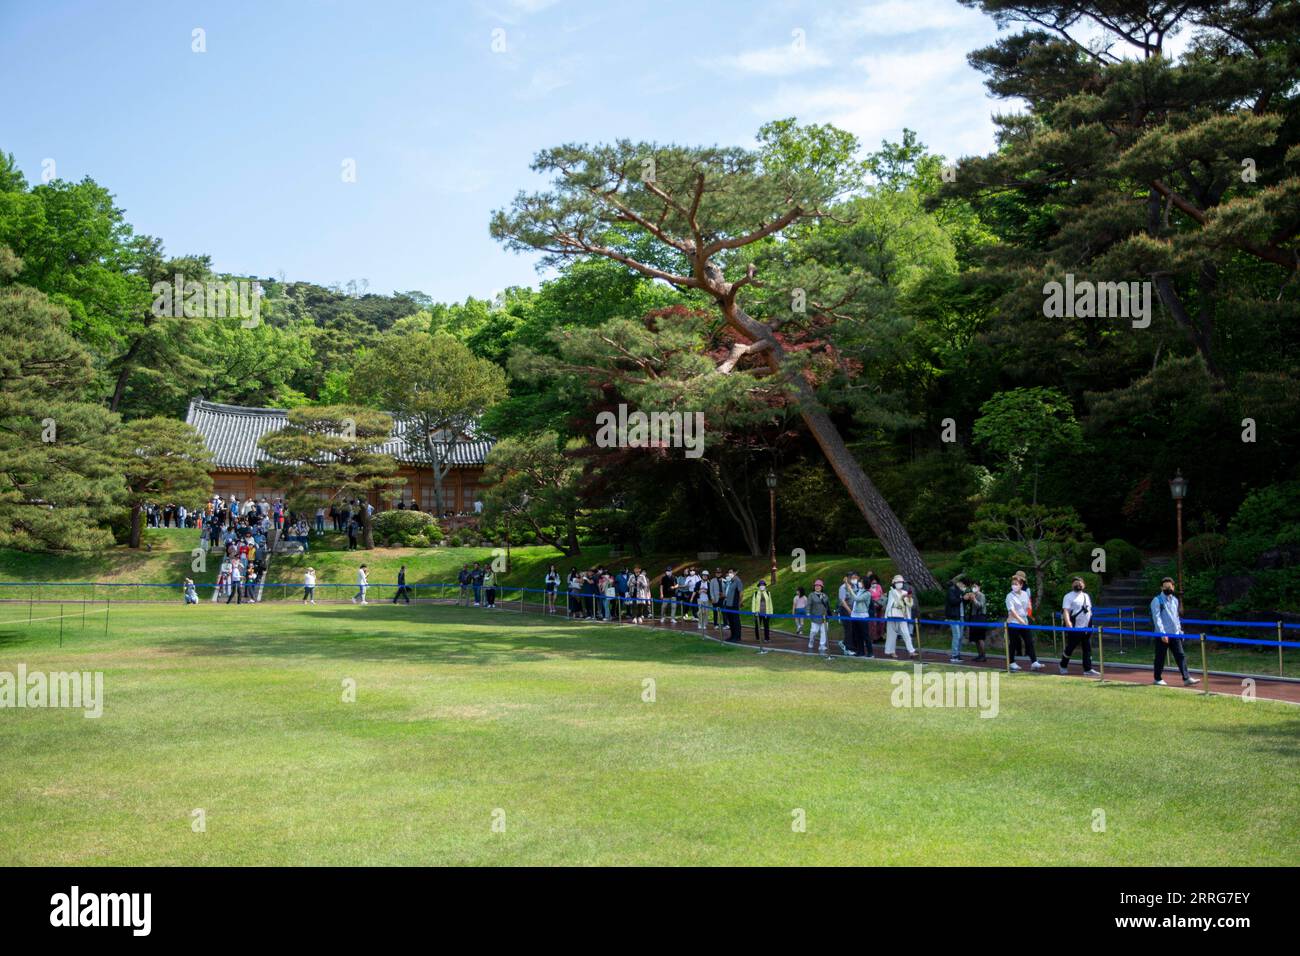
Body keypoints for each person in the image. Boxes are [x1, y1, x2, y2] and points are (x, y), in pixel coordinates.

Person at [1150, 577, 1199, 686]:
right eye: (1165, 587)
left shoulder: (1175, 600)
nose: (1168, 588)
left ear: (1173, 587)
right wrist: (1162, 633)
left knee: (1180, 655)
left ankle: (1186, 678)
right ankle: (1157, 678)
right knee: (1160, 657)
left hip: (1175, 634)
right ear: (1161, 587)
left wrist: (1180, 631)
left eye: (1170, 586)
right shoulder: (1157, 600)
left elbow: (1176, 617)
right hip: (1162, 635)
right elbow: (1156, 618)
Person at [1059, 576, 1098, 675]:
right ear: (1072, 585)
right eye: (1076, 583)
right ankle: (1063, 665)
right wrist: (1068, 622)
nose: (1078, 584)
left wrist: (1090, 624)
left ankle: (1087, 669)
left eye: (1080, 583)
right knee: (1071, 647)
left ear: (1084, 585)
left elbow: (1089, 610)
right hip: (1075, 626)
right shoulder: (1068, 596)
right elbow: (1066, 610)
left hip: (1087, 626)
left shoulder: (1086, 596)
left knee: (1087, 648)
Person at [1005, 570, 1041, 670]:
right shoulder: (1009, 596)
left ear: (1021, 585)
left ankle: (1034, 661)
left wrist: (1026, 617)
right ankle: (1011, 662)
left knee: (1029, 641)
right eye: (1013, 584)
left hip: (1024, 621)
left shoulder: (1025, 594)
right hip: (1013, 622)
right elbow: (1012, 611)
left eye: (1016, 584)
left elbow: (1027, 608)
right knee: (1013, 643)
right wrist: (1020, 620)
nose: (1014, 586)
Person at [884, 574, 917, 659]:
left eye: (901, 582)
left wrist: (909, 598)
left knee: (906, 633)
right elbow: (894, 603)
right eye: (898, 582)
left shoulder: (905, 592)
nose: (900, 583)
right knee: (892, 634)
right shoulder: (892, 592)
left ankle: (911, 651)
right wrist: (902, 598)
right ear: (894, 583)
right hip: (892, 615)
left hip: (902, 615)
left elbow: (909, 605)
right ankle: (891, 652)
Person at [848, 573, 875, 657]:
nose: (860, 583)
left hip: (863, 616)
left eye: (862, 582)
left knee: (865, 635)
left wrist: (850, 590)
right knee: (857, 635)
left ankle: (870, 652)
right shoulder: (858, 591)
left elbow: (857, 599)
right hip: (854, 615)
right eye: (859, 581)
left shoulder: (867, 593)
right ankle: (860, 651)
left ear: (865, 584)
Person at [945, 575, 968, 663]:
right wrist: (962, 598)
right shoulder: (952, 590)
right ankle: (954, 655)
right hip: (953, 616)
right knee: (956, 635)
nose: (964, 587)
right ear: (959, 583)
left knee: (960, 636)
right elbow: (953, 601)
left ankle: (958, 654)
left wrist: (967, 598)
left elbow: (963, 603)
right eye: (963, 585)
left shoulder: (961, 591)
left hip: (961, 616)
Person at [806, 580, 832, 653]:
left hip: (824, 616)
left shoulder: (825, 595)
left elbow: (827, 605)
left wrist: (829, 613)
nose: (817, 587)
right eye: (816, 586)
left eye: (819, 586)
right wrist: (807, 612)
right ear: (814, 587)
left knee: (824, 631)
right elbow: (808, 604)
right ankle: (811, 641)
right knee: (814, 631)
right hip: (815, 617)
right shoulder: (811, 595)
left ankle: (822, 645)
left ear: (822, 587)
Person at [966, 581, 989, 661]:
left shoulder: (981, 595)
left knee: (980, 637)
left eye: (975, 586)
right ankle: (979, 655)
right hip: (973, 617)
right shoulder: (972, 595)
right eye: (973, 586)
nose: (973, 588)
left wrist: (974, 599)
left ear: (979, 587)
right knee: (975, 638)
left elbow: (980, 606)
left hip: (980, 618)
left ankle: (983, 655)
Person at [723, 569, 744, 642]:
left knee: (735, 621)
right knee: (731, 621)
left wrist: (740, 602)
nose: (729, 574)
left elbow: (741, 592)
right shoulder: (730, 581)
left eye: (731, 572)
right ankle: (732, 636)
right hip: (728, 604)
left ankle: (737, 637)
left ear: (735, 573)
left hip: (734, 604)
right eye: (728, 572)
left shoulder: (738, 581)